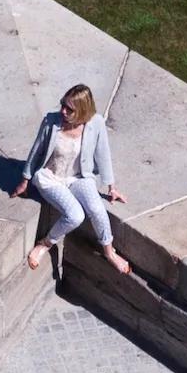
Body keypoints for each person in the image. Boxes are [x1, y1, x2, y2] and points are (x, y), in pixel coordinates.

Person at [11, 84, 131, 274]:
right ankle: (45, 244)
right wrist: (25, 179)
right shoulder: (52, 122)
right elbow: (36, 151)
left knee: (98, 209)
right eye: (62, 105)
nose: (63, 111)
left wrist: (111, 187)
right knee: (75, 216)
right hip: (50, 177)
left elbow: (103, 154)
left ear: (83, 111)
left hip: (79, 177)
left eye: (69, 109)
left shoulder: (96, 123)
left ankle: (109, 252)